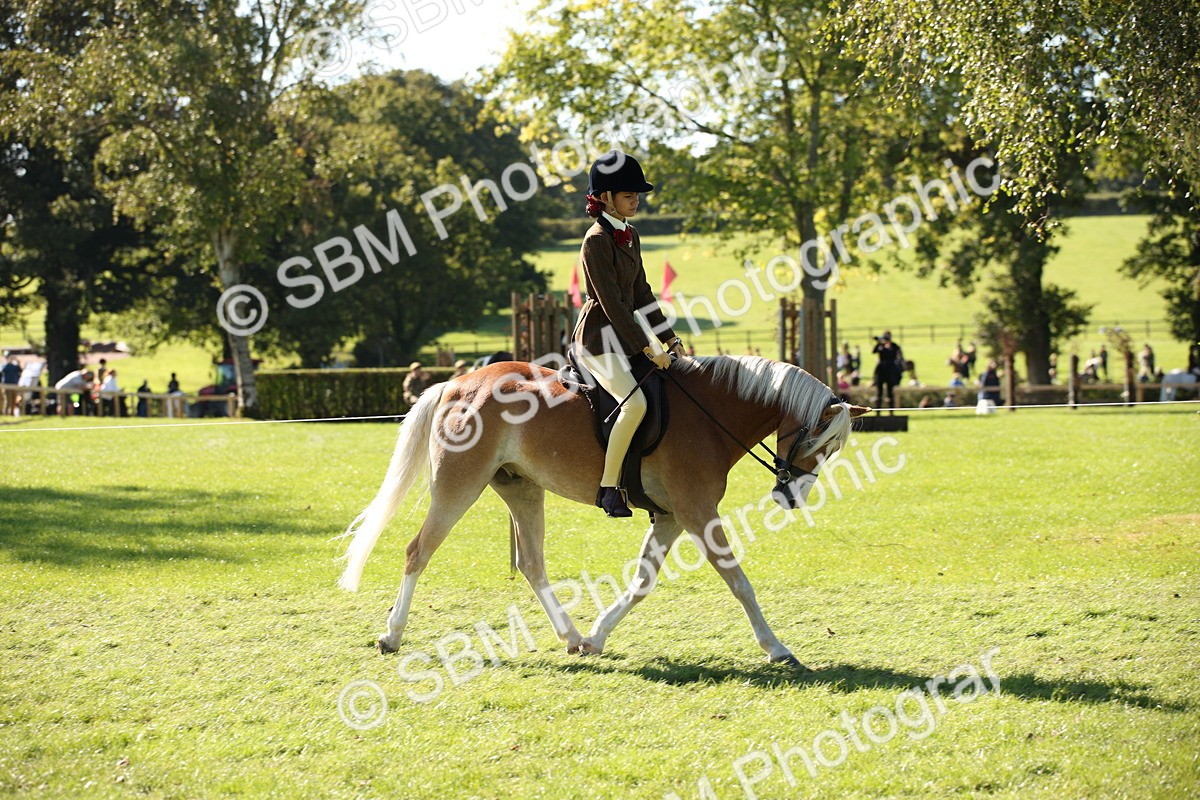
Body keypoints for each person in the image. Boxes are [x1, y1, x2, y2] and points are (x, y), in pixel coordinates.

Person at [573, 149, 684, 517]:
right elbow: (612, 304)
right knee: (635, 403)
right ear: (606, 198)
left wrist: (669, 338)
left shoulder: (630, 234)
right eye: (628, 195)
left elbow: (641, 295)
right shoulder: (595, 240)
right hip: (599, 340)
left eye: (637, 195)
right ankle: (609, 489)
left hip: (625, 338)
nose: (636, 200)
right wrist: (647, 348)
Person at [871, 330, 903, 413]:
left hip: (890, 370)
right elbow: (874, 351)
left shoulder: (894, 346)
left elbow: (897, 354)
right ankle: (878, 412)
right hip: (881, 370)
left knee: (890, 392)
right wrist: (879, 343)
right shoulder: (880, 346)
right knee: (879, 392)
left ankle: (891, 412)